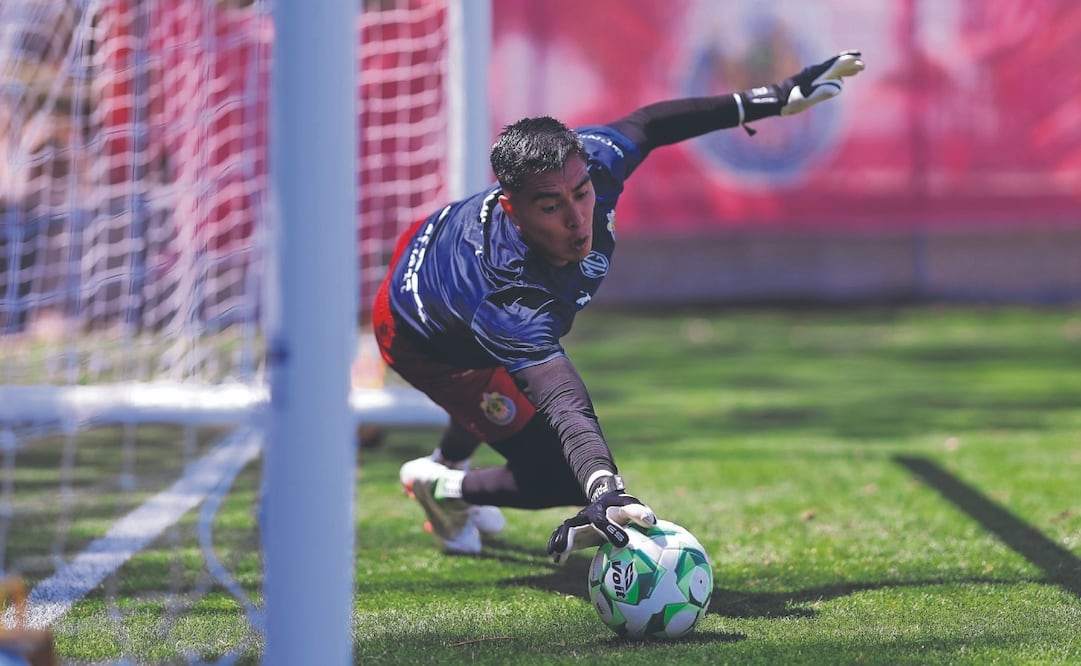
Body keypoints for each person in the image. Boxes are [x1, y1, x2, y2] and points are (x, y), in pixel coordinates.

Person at [374, 50, 865, 560]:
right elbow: (561, 398)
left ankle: (444, 466)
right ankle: (443, 489)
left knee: (507, 383)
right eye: (550, 206)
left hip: (433, 244)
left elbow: (648, 123)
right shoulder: (505, 298)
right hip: (423, 337)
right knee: (558, 477)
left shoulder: (591, 161)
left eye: (581, 193)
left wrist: (768, 99)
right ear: (511, 208)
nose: (576, 218)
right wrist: (602, 488)